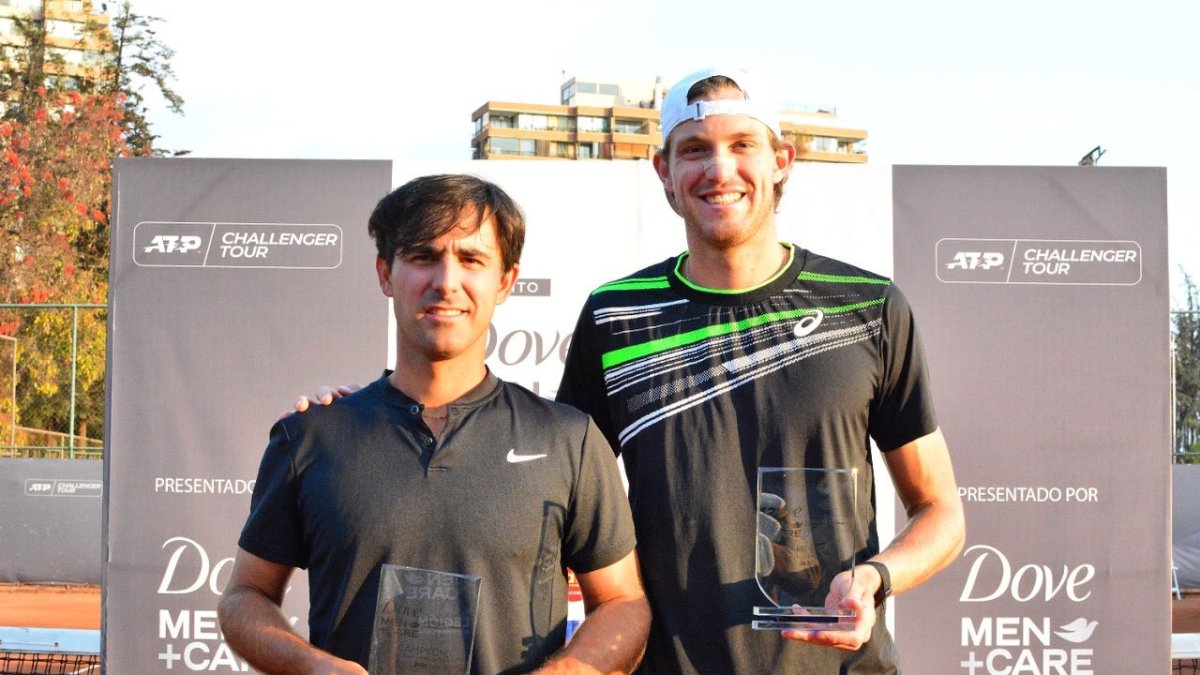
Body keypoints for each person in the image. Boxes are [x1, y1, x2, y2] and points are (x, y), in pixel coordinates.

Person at [552, 67, 965, 673]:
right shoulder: (617, 316)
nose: (719, 170)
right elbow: (549, 486)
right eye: (695, 150)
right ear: (664, 171)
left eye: (742, 145)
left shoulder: (866, 306)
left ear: (781, 161)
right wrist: (389, 414)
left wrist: (876, 579)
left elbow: (941, 512)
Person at [220, 174, 650, 675]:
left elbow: (624, 603)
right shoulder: (313, 435)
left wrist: (566, 672)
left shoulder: (567, 440)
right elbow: (244, 597)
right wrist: (315, 668)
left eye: (471, 259)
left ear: (506, 281)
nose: (446, 282)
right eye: (424, 256)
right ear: (386, 274)